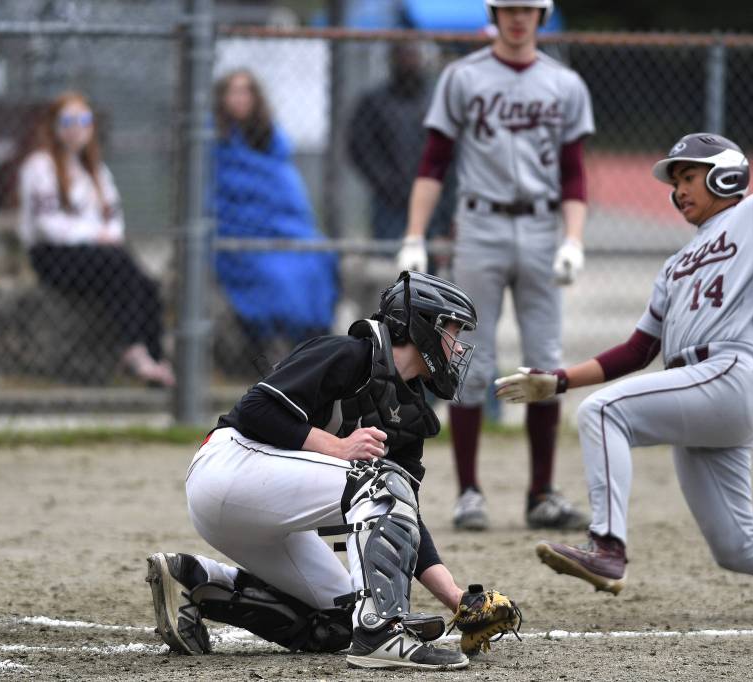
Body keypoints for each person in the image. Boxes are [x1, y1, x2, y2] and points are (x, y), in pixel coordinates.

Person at [494, 99, 753, 616]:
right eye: (676, 182)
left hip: (727, 372)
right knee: (736, 545)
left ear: (726, 177)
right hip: (699, 391)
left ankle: (607, 548)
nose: (678, 190)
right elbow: (638, 350)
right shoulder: (674, 264)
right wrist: (558, 380)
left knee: (602, 412)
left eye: (689, 177)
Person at [146, 271, 514, 670]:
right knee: (379, 484)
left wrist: (457, 598)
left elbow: (403, 516)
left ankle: (194, 580)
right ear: (420, 325)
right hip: (229, 468)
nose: (457, 345)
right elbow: (256, 410)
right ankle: (382, 632)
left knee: (339, 621)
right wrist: (337, 447)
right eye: (451, 330)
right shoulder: (349, 354)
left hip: (265, 511)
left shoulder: (412, 414)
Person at [397, 0, 594, 531]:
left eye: (527, 8)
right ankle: (468, 493)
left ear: (543, 15)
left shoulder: (564, 84)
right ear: (493, 11)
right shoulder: (463, 76)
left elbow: (574, 174)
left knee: (545, 360)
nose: (517, 16)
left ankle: (541, 494)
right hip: (479, 225)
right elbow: (434, 161)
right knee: (466, 360)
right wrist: (414, 233)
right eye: (508, 7)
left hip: (538, 225)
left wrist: (573, 238)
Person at [17, 91, 174, 387]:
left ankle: (156, 359)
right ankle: (134, 351)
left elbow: (114, 218)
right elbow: (47, 225)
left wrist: (105, 236)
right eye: (68, 120)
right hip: (53, 255)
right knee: (118, 262)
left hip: (96, 255)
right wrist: (94, 234)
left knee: (146, 283)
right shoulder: (40, 166)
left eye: (83, 119)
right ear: (53, 125)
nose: (76, 126)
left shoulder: (95, 170)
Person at [213, 69, 339, 360]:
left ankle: (313, 348)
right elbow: (217, 193)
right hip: (239, 231)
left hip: (282, 226)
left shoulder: (270, 138)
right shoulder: (215, 140)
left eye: (246, 91)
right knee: (277, 276)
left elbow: (284, 189)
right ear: (222, 98)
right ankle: (268, 346)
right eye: (233, 91)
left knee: (317, 261)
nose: (240, 98)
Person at [347, 43, 455, 243]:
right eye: (403, 55)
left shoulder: (435, 100)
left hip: (432, 198)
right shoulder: (375, 101)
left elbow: (450, 149)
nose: (409, 61)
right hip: (389, 201)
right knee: (390, 261)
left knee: (428, 259)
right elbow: (360, 148)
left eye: (413, 55)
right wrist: (389, 184)